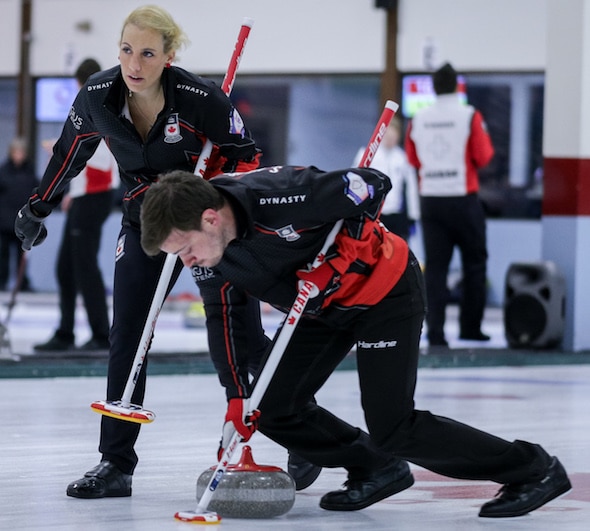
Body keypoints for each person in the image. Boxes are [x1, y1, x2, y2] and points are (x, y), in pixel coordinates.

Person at [139, 166, 571, 519]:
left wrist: (337, 262)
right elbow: (225, 319)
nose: (187, 261)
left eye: (186, 248)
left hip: (385, 292)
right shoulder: (213, 258)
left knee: (394, 425)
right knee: (267, 408)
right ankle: (376, 467)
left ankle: (534, 469)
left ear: (210, 218)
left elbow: (373, 185)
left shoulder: (282, 195)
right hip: (318, 308)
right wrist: (236, 397)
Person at [13, 4, 276, 499]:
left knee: (242, 334)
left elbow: (251, 160)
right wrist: (37, 208)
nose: (135, 63)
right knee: (128, 332)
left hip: (205, 222)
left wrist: (222, 201)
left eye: (148, 53)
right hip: (147, 221)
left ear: (169, 56)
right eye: (127, 50)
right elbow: (70, 151)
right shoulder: (98, 96)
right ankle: (115, 463)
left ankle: (298, 435)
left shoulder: (202, 100)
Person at [404, 62, 494, 347]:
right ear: (457, 85)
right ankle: (470, 328)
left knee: (437, 269)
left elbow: (413, 159)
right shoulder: (469, 115)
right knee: (474, 264)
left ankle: (436, 332)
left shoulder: (418, 119)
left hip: (430, 199)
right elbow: (484, 156)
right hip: (463, 198)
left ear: (434, 87)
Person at [34, 59, 119, 352]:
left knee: (83, 266)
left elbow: (102, 157)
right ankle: (66, 331)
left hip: (95, 196)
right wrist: (74, 192)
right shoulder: (97, 104)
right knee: (66, 268)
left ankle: (99, 333)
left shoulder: (99, 105)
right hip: (87, 196)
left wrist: (59, 148)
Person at [352, 117, 420, 242]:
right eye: (388, 136)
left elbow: (411, 187)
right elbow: (355, 182)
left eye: (393, 137)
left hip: (396, 214)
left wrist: (413, 215)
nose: (390, 140)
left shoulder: (403, 158)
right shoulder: (366, 154)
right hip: (374, 213)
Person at [0, 137, 38, 292]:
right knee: (3, 254)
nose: (19, 155)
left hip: (22, 221)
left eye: (22, 152)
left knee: (21, 254)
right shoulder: (3, 172)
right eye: (16, 151)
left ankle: (21, 283)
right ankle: (1, 281)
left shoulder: (29, 172)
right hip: (4, 220)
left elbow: (35, 192)